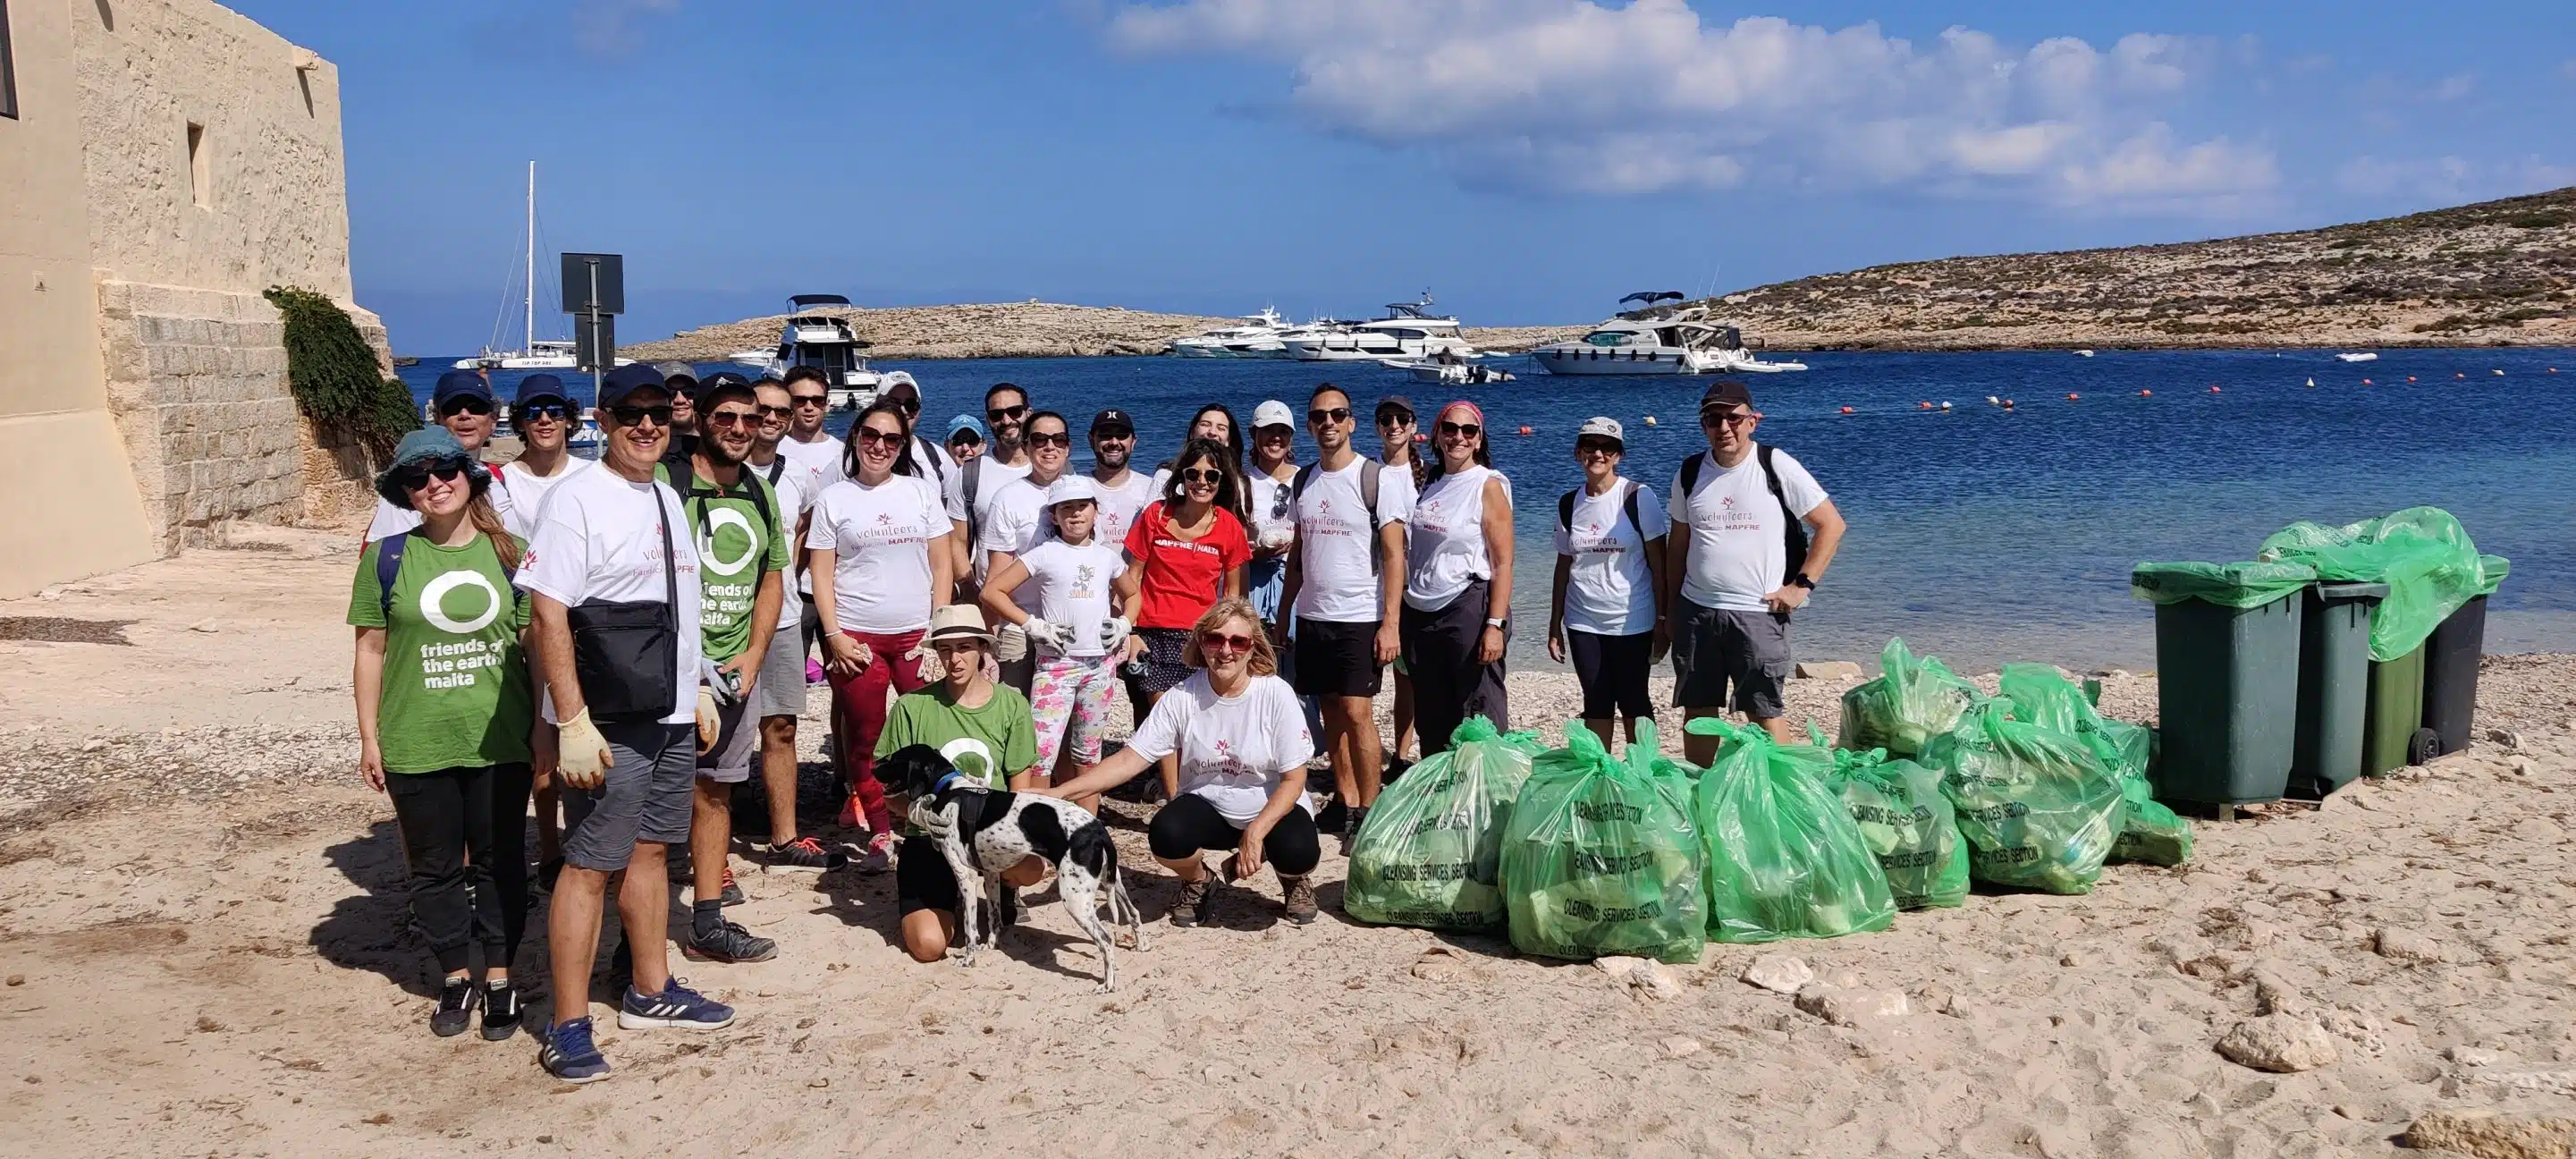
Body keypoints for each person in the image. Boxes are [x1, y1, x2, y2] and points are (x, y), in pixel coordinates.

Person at [517, 362, 734, 1085]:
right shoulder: (577, 499)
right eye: (630, 413)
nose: (648, 425)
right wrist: (570, 719)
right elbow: (548, 611)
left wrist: (696, 683)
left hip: (670, 711)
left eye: (659, 414)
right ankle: (568, 1022)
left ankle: (650, 989)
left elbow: (678, 604)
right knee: (587, 866)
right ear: (602, 420)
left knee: (649, 853)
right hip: (609, 718)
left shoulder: (667, 495)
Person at [349, 427, 537, 1040]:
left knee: (500, 864)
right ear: (406, 492)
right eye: (417, 477)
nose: (434, 483)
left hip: (499, 738)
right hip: (416, 738)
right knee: (434, 870)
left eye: (445, 469)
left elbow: (539, 649)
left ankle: (503, 979)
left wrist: (545, 732)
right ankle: (457, 976)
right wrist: (369, 738)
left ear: (469, 472)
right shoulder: (386, 557)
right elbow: (370, 650)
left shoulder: (513, 553)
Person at [1044, 598, 1319, 927]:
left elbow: (1293, 779)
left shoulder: (1275, 694)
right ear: (1201, 643)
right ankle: (1200, 880)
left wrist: (1256, 833)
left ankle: (1293, 880)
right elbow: (1130, 759)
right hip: (1210, 805)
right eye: (1215, 639)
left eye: (1238, 641)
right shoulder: (1182, 696)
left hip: (1271, 805)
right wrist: (1061, 793)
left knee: (1299, 849)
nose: (1226, 650)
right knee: (1166, 833)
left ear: (1252, 648)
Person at [658, 376, 790, 964]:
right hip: (669, 671)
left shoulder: (760, 494)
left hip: (736, 671)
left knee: (715, 793)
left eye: (748, 418)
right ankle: (639, 928)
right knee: (655, 800)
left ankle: (707, 921)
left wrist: (756, 653)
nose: (738, 428)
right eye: (724, 417)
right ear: (701, 420)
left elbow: (770, 576)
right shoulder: (665, 484)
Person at [1663, 379, 1847, 762]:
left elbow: (1830, 525)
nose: (1724, 427)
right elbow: (1678, 544)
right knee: (1697, 712)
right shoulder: (1690, 471)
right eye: (1714, 419)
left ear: (1753, 421)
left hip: (1759, 613)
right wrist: (1669, 610)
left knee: (1763, 710)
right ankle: (1700, 791)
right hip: (1697, 611)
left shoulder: (1775, 465)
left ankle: (1785, 792)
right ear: (1703, 424)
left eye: (1733, 418)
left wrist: (1801, 586)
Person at [807, 399, 954, 871]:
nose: (880, 446)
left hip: (917, 637)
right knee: (865, 740)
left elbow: (941, 563)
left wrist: (939, 632)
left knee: (930, 734)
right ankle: (880, 832)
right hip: (857, 638)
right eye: (871, 435)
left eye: (892, 439)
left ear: (902, 445)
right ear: (855, 437)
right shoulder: (835, 498)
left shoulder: (919, 492)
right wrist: (833, 636)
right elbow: (821, 574)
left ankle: (928, 823)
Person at [1281, 384, 1412, 842]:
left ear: (1352, 422)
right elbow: (1300, 551)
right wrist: (1284, 614)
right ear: (1310, 424)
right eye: (1319, 416)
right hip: (1314, 616)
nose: (1328, 423)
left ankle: (1371, 811)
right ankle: (1346, 800)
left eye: (1337, 415)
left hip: (1361, 615)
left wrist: (1391, 623)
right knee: (1331, 712)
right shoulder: (1304, 479)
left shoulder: (1376, 478)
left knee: (1358, 712)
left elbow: (1395, 555)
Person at [877, 605, 1043, 963]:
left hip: (987, 834)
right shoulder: (911, 707)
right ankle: (945, 898)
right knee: (929, 947)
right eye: (946, 649)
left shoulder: (1012, 705)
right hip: (930, 838)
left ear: (982, 649)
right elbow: (888, 791)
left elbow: (1020, 791)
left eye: (965, 647)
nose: (955, 659)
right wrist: (916, 812)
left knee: (1031, 867)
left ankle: (1003, 889)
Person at [741, 376, 844, 871]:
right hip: (723, 621)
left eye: (784, 412)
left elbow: (805, 529)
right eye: (767, 409)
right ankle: (708, 841)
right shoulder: (720, 469)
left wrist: (793, 583)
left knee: (781, 725)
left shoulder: (800, 473)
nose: (775, 418)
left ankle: (784, 838)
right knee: (715, 732)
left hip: (781, 618)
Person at [981, 476, 1127, 808]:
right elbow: (992, 591)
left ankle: (1088, 827)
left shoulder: (1107, 557)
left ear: (1096, 511)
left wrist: (1125, 623)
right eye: (1067, 508)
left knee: (1088, 753)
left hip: (1099, 668)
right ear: (1054, 516)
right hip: (1055, 666)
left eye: (1082, 507)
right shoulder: (1044, 553)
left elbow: (1132, 593)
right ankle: (1039, 831)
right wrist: (1032, 624)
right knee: (1042, 753)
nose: (1076, 515)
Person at [1547, 418, 1670, 747]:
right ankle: (1601, 776)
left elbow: (1660, 564)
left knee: (1634, 701)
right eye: (1590, 446)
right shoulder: (1568, 503)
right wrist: (1554, 624)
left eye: (1608, 448)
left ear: (1619, 455)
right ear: (1578, 453)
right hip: (1583, 619)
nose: (1598, 454)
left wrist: (1663, 620)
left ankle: (1644, 774)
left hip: (1633, 618)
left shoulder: (1638, 497)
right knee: (1596, 700)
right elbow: (1564, 565)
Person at [1399, 402, 1515, 751]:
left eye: (1469, 431)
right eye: (1450, 428)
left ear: (1479, 440)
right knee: (1432, 714)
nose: (1458, 437)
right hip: (1421, 610)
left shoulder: (1488, 484)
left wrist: (1495, 625)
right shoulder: (1430, 480)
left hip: (1467, 606)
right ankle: (1441, 789)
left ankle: (1485, 794)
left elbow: (1503, 562)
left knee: (1477, 711)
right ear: (1437, 434)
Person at [1117, 437, 1249, 717]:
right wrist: (1130, 631)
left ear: (1221, 480)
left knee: (1195, 714)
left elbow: (1232, 593)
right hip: (1148, 636)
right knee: (1153, 713)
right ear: (1182, 477)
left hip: (1199, 637)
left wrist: (1222, 640)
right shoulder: (1157, 514)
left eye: (1211, 475)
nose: (1202, 481)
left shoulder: (1229, 526)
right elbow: (1133, 577)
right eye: (1193, 473)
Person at [976, 410, 1078, 694]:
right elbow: (996, 574)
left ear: (1068, 447)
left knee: (1061, 717)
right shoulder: (1008, 498)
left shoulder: (1082, 494)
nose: (1050, 446)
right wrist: (989, 640)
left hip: (1068, 625)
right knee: (1013, 710)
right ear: (1026, 446)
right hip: (1017, 626)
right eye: (1040, 439)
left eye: (1058, 439)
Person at [367, 370, 513, 542]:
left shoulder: (496, 478)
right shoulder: (414, 481)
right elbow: (384, 557)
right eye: (452, 408)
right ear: (437, 419)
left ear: (493, 418)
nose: (464, 415)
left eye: (476, 407)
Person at [1374, 394, 1428, 765]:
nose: (1394, 425)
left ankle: (1416, 753)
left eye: (1401, 419)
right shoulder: (1368, 472)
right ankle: (1400, 753)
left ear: (1413, 425)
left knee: (1418, 677)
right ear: (1377, 426)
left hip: (1420, 590)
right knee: (1397, 680)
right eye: (1386, 419)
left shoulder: (1428, 474)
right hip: (1378, 588)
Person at [947, 383, 1035, 603]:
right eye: (997, 415)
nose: (1006, 421)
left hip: (1048, 603)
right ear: (988, 420)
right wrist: (969, 590)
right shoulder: (969, 474)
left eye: (1015, 412)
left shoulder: (1053, 468)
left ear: (1028, 413)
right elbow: (957, 540)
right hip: (992, 605)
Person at [498, 374, 593, 541]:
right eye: (532, 412)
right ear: (520, 423)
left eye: (555, 411)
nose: (544, 419)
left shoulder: (592, 475)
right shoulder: (502, 484)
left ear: (569, 420)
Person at [1152, 404, 1249, 521]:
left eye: (1221, 428)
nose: (1212, 432)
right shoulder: (1166, 475)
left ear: (1228, 440)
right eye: (1205, 424)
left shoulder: (1237, 481)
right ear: (1192, 432)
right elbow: (1150, 523)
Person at [1085, 409, 1157, 553]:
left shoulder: (1152, 489)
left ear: (1133, 441)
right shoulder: (1077, 488)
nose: (1114, 442)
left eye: (1122, 436)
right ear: (1091, 440)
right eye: (1105, 436)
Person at [775, 366, 846, 486]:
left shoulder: (842, 452)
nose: (809, 407)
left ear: (827, 404)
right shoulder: (772, 449)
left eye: (817, 400)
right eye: (800, 400)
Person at [878, 377, 957, 485]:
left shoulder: (939, 458)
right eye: (894, 404)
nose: (903, 411)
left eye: (910, 405)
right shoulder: (858, 458)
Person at [655, 362, 701, 461]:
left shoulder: (715, 441)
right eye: (670, 393)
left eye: (688, 392)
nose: (680, 400)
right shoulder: (649, 448)